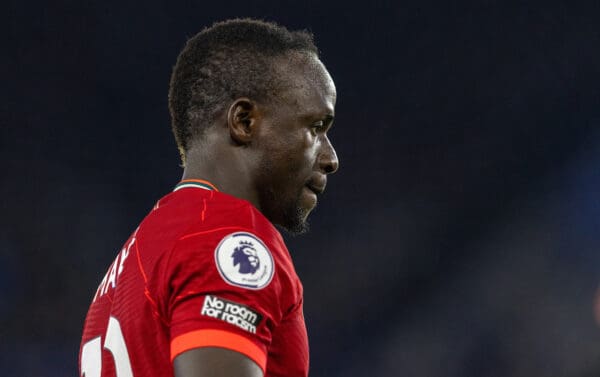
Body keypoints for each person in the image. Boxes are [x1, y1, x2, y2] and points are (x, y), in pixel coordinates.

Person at [78, 18, 339, 377]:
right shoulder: (227, 240)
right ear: (245, 121)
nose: (331, 158)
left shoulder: (134, 259)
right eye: (315, 128)